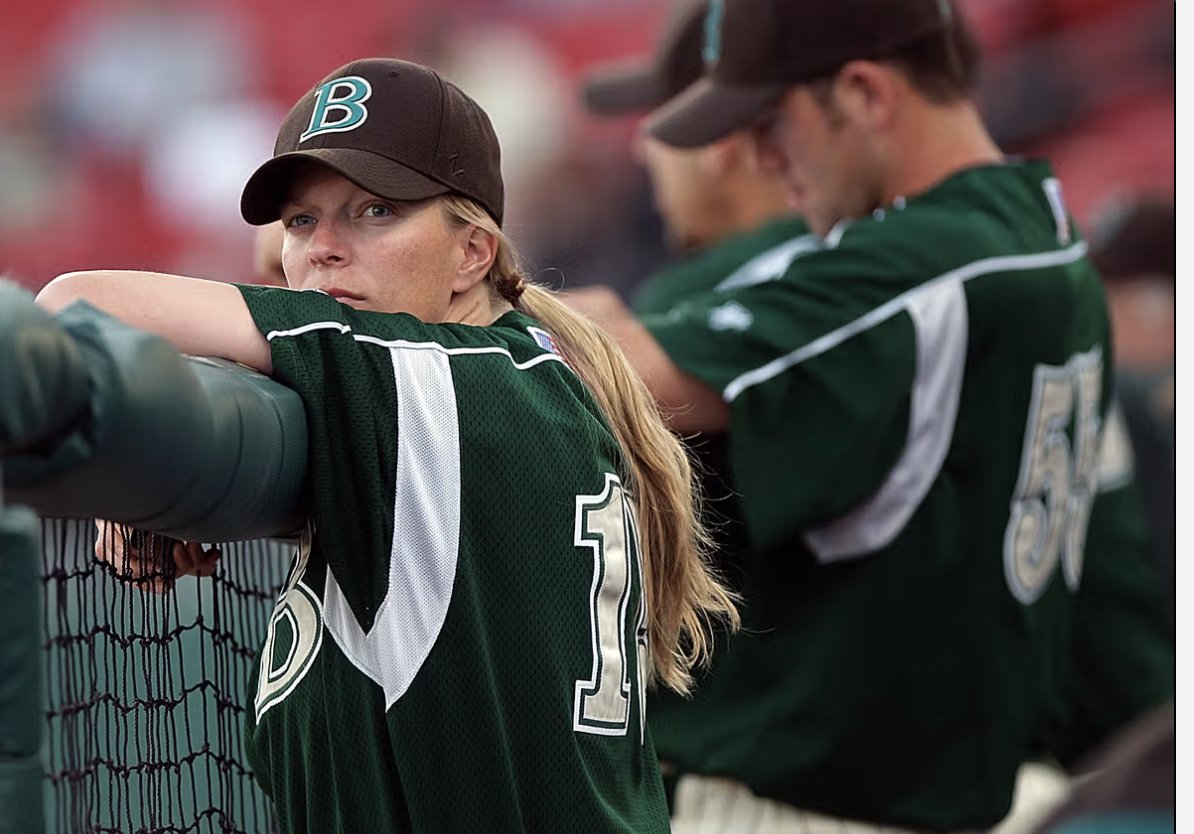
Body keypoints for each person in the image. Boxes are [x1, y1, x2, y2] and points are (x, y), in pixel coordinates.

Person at [36, 56, 739, 834]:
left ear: (473, 251)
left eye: (375, 211)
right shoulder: (521, 371)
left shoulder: (431, 385)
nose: (323, 248)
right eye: (301, 220)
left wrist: (156, 466)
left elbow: (68, 305)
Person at [562, 1, 1174, 831]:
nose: (760, 155)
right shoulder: (1041, 230)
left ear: (864, 94)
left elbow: (620, 374)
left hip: (808, 802)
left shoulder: (934, 258)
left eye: (775, 121)